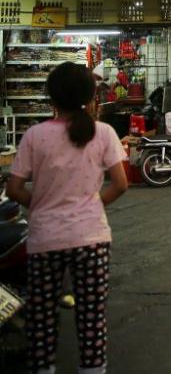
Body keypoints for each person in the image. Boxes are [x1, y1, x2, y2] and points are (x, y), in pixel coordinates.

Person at [5, 62, 129, 374]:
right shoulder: (104, 133)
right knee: (91, 316)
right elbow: (120, 184)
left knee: (43, 319)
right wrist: (91, 205)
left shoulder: (35, 135)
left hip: (45, 239)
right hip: (91, 239)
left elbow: (15, 188)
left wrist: (42, 204)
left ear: (51, 96)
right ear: (90, 96)